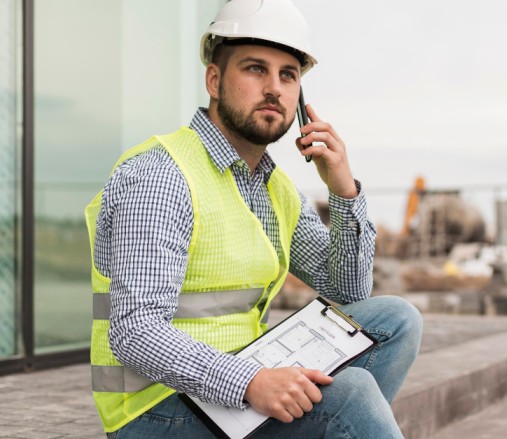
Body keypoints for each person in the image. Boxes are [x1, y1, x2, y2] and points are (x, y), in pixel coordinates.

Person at [84, 0, 422, 437]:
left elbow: (348, 289)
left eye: (288, 75)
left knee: (397, 320)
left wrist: (343, 190)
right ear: (214, 79)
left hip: (236, 383)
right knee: (350, 393)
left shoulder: (274, 188)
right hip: (155, 406)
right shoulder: (161, 176)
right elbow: (134, 333)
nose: (274, 89)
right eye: (255, 69)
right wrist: (250, 382)